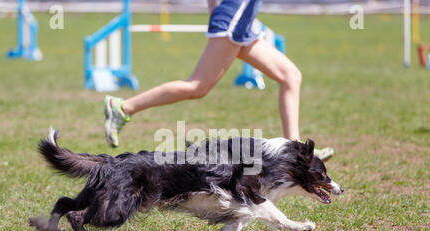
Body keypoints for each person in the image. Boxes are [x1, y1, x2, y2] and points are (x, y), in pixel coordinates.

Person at [103, 0, 334, 160]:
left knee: (290, 76)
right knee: (198, 86)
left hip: (237, 23)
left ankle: (296, 152)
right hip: (232, 21)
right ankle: (123, 107)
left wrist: (215, 13)